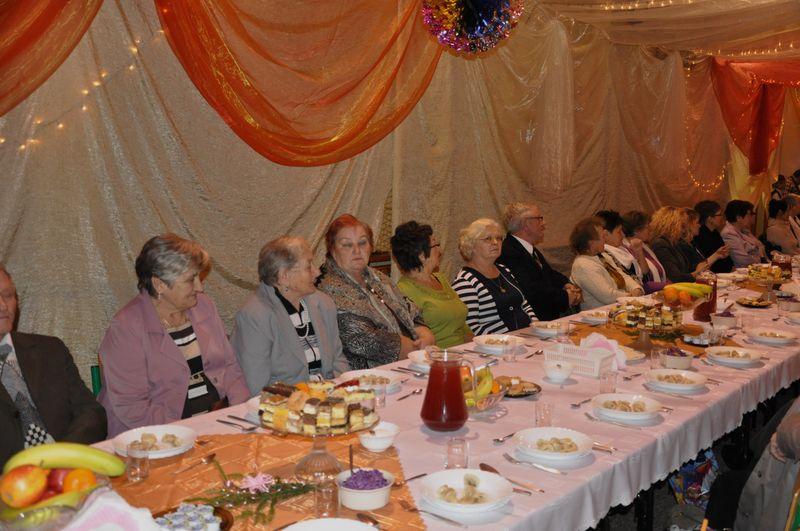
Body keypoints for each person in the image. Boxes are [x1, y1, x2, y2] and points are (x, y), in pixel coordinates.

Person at [99, 234, 249, 437]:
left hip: (214, 424)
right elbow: (132, 407)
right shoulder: (127, 327)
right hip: (156, 437)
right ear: (159, 284)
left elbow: (230, 367)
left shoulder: (204, 306)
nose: (200, 287)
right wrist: (188, 434)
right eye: (190, 280)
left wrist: (240, 416)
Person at [0, 263, 107, 466]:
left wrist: (60, 457)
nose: (3, 306)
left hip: (70, 468)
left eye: (7, 295)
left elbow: (91, 412)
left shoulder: (50, 349)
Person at [231, 237, 350, 395]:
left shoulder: (323, 303)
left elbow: (338, 360)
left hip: (330, 397)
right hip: (285, 403)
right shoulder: (255, 317)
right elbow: (257, 388)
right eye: (308, 266)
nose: (317, 272)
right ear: (284, 276)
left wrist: (340, 391)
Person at [317, 214, 435, 370]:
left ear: (371, 246)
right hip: (365, 375)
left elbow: (410, 309)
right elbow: (362, 339)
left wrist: (425, 334)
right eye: (347, 245)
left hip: (408, 361)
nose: (357, 250)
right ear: (332, 250)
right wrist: (417, 350)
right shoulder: (326, 287)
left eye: (362, 243)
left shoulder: (379, 278)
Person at [390, 221, 471, 349]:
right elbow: (412, 338)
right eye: (436, 245)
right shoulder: (404, 291)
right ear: (422, 255)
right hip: (438, 355)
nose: (440, 250)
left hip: (464, 351)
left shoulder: (440, 279)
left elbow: (462, 325)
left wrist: (479, 348)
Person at [498, 202, 581, 321]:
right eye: (539, 218)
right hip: (532, 322)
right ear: (526, 224)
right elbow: (531, 291)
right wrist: (566, 296)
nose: (544, 223)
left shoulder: (526, 248)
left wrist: (566, 284)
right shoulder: (509, 252)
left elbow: (549, 274)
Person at [452, 218, 536, 335]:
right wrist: (502, 342)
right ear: (471, 245)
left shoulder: (504, 270)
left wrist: (536, 325)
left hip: (527, 337)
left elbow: (524, 304)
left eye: (499, 238)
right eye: (488, 239)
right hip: (497, 343)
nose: (495, 242)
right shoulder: (465, 281)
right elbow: (470, 326)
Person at [569, 217, 643, 310]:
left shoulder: (603, 256)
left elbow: (622, 275)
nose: (605, 239)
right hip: (601, 314)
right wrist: (631, 297)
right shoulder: (583, 265)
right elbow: (607, 296)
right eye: (602, 237)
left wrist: (636, 288)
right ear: (591, 243)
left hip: (621, 307)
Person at [650, 206, 728, 282]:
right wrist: (697, 272)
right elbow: (675, 277)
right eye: (682, 224)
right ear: (672, 225)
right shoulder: (661, 244)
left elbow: (688, 267)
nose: (684, 227)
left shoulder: (672, 242)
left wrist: (701, 267)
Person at [595, 210, 648, 290]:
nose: (623, 235)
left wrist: (639, 251)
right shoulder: (605, 256)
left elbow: (644, 273)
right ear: (606, 235)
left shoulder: (621, 248)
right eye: (619, 232)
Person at [621, 210, 668, 292]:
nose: (650, 229)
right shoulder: (625, 249)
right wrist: (667, 285)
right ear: (636, 230)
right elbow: (644, 277)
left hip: (657, 288)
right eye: (647, 227)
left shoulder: (644, 246)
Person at [720, 200, 766, 267]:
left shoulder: (743, 231)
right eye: (749, 215)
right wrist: (760, 258)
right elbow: (742, 260)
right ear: (738, 217)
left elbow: (760, 247)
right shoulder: (728, 233)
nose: (751, 218)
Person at [693, 200, 734, 273]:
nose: (722, 217)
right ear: (710, 218)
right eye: (719, 215)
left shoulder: (714, 232)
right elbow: (706, 262)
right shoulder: (699, 235)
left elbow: (725, 257)